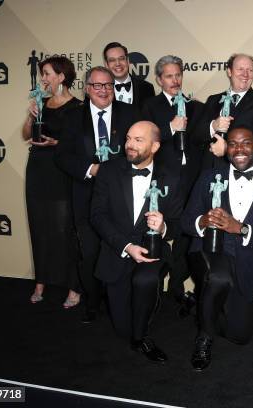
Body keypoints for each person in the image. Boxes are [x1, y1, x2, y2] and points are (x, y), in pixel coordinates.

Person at [181, 126, 253, 371]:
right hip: (208, 251)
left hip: (246, 262)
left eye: (246, 143)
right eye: (232, 144)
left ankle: (201, 305)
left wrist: (240, 228)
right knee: (218, 278)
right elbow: (187, 221)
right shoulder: (209, 176)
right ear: (226, 148)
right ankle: (204, 337)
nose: (239, 149)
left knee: (240, 335)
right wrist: (202, 222)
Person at [90, 121, 180, 362]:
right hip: (116, 249)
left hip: (152, 252)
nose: (129, 144)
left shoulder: (171, 176)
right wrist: (126, 247)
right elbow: (97, 216)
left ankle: (143, 334)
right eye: (128, 138)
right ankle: (138, 323)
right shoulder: (108, 170)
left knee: (145, 282)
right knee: (123, 330)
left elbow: (178, 222)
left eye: (138, 140)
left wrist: (163, 227)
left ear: (155, 146)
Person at [56, 66, 139, 323]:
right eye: (97, 85)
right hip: (86, 196)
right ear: (87, 88)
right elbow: (62, 157)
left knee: (121, 249)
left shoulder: (130, 113)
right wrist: (91, 168)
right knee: (90, 253)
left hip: (124, 197)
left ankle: (125, 302)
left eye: (108, 85)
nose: (103, 90)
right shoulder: (72, 117)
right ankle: (93, 302)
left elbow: (142, 150)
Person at [142, 56, 204, 309]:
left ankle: (178, 287)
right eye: (169, 76)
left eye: (178, 74)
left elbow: (202, 138)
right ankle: (154, 288)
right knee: (157, 236)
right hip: (162, 184)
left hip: (192, 183)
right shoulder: (149, 106)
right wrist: (169, 128)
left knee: (186, 238)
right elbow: (145, 143)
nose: (175, 80)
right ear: (159, 79)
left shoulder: (195, 106)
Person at [22, 56, 81, 308]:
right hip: (37, 169)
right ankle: (41, 282)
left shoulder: (78, 107)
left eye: (46, 73)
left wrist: (57, 143)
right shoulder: (41, 102)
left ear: (61, 76)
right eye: (43, 74)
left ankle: (73, 286)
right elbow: (26, 134)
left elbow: (81, 144)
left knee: (64, 230)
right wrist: (30, 115)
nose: (43, 78)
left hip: (61, 171)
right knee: (39, 227)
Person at [194, 54, 253, 170]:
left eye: (250, 70)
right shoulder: (213, 100)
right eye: (240, 69)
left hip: (243, 172)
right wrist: (213, 126)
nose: (245, 74)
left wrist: (227, 148)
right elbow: (196, 137)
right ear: (229, 72)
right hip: (210, 171)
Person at [103, 42, 155, 110]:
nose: (118, 63)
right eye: (112, 60)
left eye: (121, 58)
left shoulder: (147, 88)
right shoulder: (100, 90)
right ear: (106, 65)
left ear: (127, 61)